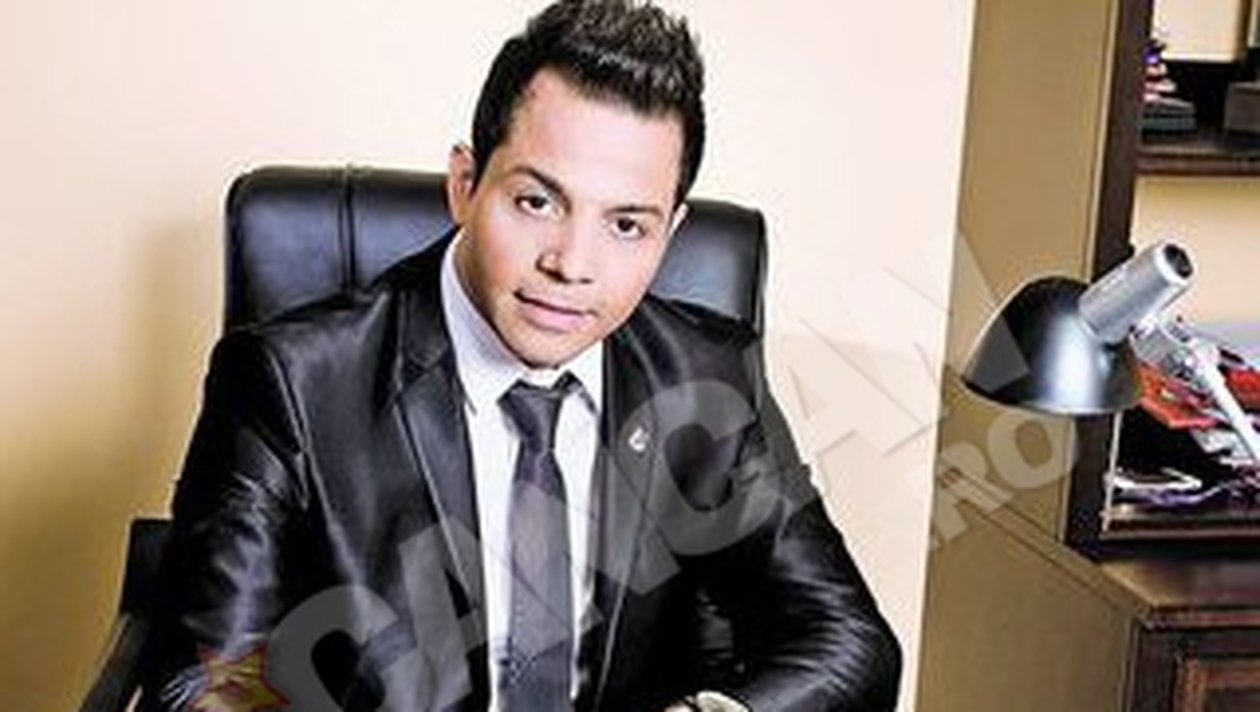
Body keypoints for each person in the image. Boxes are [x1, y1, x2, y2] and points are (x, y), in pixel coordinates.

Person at [140, 1, 901, 710]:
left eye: (627, 226)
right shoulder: (291, 383)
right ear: (465, 185)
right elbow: (208, 686)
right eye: (538, 202)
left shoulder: (710, 375)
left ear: (670, 233)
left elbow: (848, 640)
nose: (572, 264)